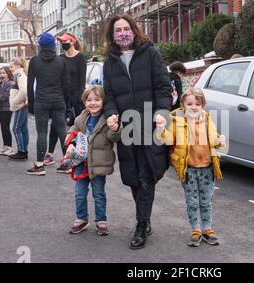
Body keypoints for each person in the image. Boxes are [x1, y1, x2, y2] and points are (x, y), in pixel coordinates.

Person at [103, 14, 172, 249]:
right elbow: (109, 96)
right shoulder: (110, 62)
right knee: (132, 177)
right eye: (117, 30)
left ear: (134, 29)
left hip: (150, 126)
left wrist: (163, 111)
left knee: (146, 176)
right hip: (126, 127)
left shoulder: (150, 53)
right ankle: (146, 216)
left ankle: (141, 225)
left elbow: (163, 86)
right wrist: (111, 113)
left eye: (126, 28)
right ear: (112, 35)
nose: (122, 32)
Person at [156, 87, 226, 247]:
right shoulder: (176, 121)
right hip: (189, 168)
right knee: (192, 201)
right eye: (190, 103)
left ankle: (207, 229)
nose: (194, 107)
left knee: (206, 200)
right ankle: (196, 230)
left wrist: (220, 141)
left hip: (208, 168)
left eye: (198, 103)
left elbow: (214, 141)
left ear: (203, 105)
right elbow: (168, 140)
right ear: (182, 105)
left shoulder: (208, 119)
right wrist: (160, 129)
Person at [64, 86, 122, 235]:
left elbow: (114, 137)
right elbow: (72, 133)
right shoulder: (80, 118)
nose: (93, 103)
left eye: (97, 99)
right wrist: (70, 144)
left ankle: (101, 220)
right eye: (89, 100)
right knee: (79, 193)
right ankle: (81, 219)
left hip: (98, 164)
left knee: (99, 193)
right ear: (84, 102)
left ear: (103, 101)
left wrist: (115, 128)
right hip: (81, 164)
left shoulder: (107, 120)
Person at [27, 32, 70, 175]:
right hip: (58, 100)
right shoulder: (61, 61)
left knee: (42, 133)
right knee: (62, 131)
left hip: (41, 101)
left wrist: (31, 105)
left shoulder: (34, 61)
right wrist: (67, 104)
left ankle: (39, 166)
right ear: (53, 46)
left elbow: (30, 84)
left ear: (41, 46)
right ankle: (67, 163)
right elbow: (66, 85)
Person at [43, 33, 86, 172]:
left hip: (76, 98)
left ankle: (79, 154)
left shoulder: (80, 58)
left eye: (64, 41)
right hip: (61, 97)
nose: (62, 44)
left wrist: (77, 98)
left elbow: (81, 81)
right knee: (55, 125)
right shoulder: (60, 58)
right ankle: (50, 154)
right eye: (60, 42)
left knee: (78, 128)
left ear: (72, 42)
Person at [8, 58, 30, 161]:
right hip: (22, 106)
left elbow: (24, 91)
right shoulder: (20, 75)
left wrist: (15, 101)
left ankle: (21, 151)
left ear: (17, 65)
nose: (10, 68)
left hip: (20, 106)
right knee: (23, 129)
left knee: (16, 129)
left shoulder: (20, 75)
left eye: (11, 66)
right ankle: (24, 151)